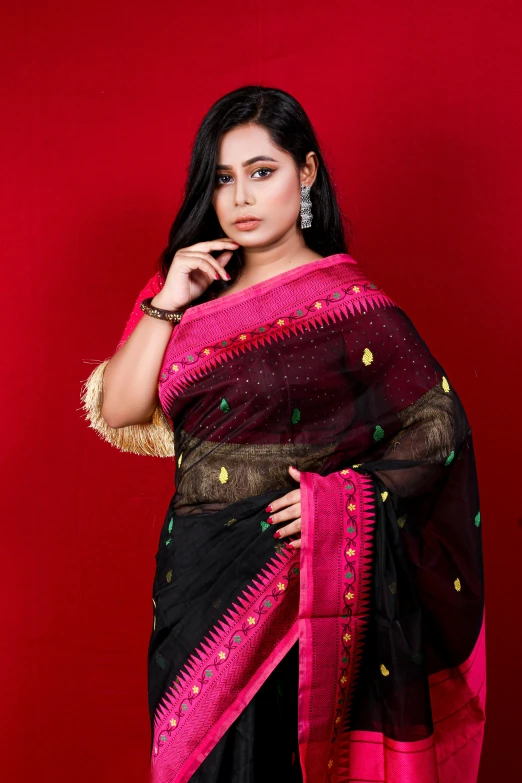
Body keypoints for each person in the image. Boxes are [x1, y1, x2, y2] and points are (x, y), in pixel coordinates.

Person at [80, 85, 485, 783]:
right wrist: (167, 301)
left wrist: (348, 499)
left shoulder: (349, 305)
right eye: (224, 178)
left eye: (261, 172)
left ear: (306, 173)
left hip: (296, 587)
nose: (240, 197)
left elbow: (437, 425)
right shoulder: (188, 290)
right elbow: (119, 408)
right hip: (194, 582)